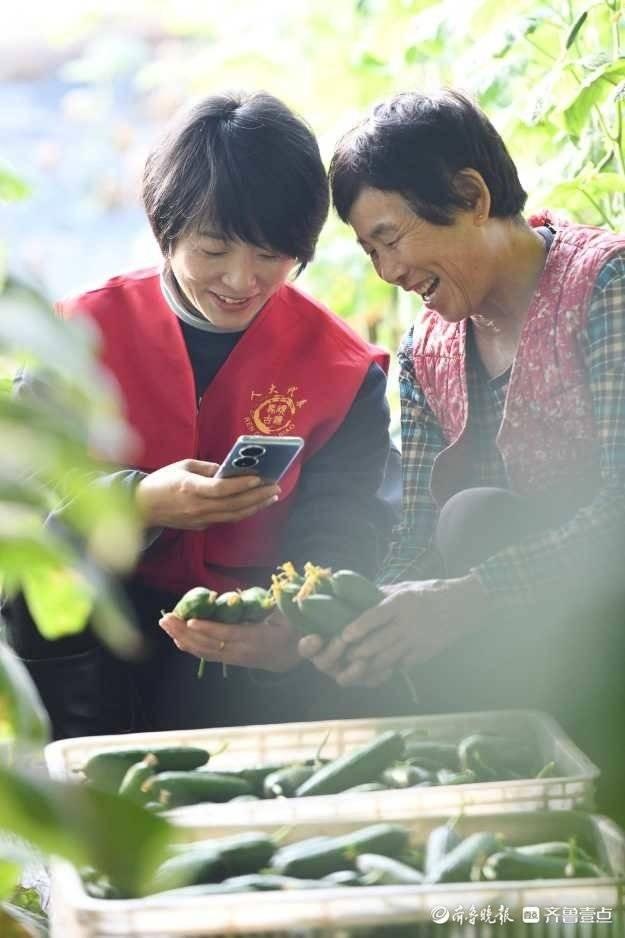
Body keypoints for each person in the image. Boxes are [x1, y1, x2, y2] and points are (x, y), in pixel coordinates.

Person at [5, 90, 407, 738]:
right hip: (98, 642)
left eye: (270, 255)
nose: (241, 280)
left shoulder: (342, 369)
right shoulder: (76, 336)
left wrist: (294, 630)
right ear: (166, 227)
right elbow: (22, 497)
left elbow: (345, 523)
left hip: (258, 649)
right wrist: (136, 503)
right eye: (213, 250)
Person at [299, 89, 625, 821]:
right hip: (534, 631)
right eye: (368, 251)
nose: (387, 271)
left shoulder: (607, 288)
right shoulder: (427, 349)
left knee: (476, 521)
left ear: (470, 195)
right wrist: (367, 620)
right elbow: (415, 537)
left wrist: (470, 595)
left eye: (392, 237)